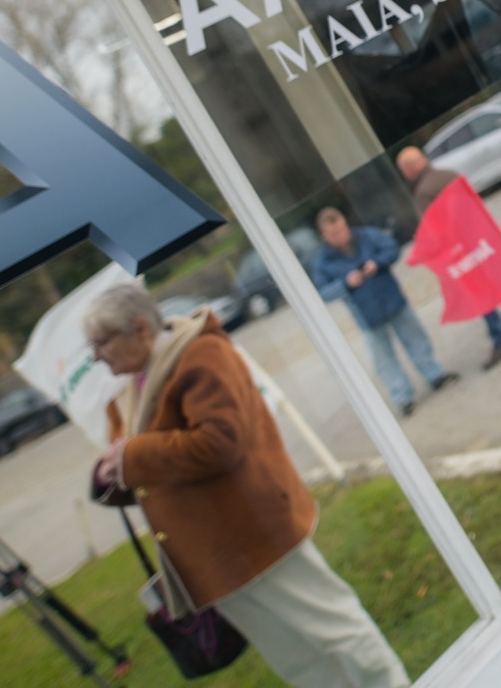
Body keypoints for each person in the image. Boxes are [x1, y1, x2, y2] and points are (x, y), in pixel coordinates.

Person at [83, 283, 407, 688]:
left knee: (338, 632)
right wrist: (113, 471)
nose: (96, 356)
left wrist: (133, 457)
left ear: (140, 328)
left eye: (101, 343)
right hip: (213, 558)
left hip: (257, 534)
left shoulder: (201, 353)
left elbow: (220, 443)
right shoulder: (131, 386)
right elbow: (147, 466)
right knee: (297, 660)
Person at [309, 208, 458, 415]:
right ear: (324, 235)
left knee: (416, 338)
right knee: (383, 358)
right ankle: (403, 397)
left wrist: (377, 263)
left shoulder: (367, 235)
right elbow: (322, 292)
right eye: (334, 233)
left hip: (392, 300)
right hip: (366, 315)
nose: (341, 236)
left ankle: (435, 375)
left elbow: (392, 248)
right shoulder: (322, 261)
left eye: (342, 229)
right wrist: (345, 283)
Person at [396, 146, 501, 368]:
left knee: (481, 294)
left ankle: (500, 339)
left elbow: (435, 228)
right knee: (499, 282)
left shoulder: (423, 192)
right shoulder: (449, 174)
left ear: (409, 170)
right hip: (479, 240)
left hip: (460, 252)